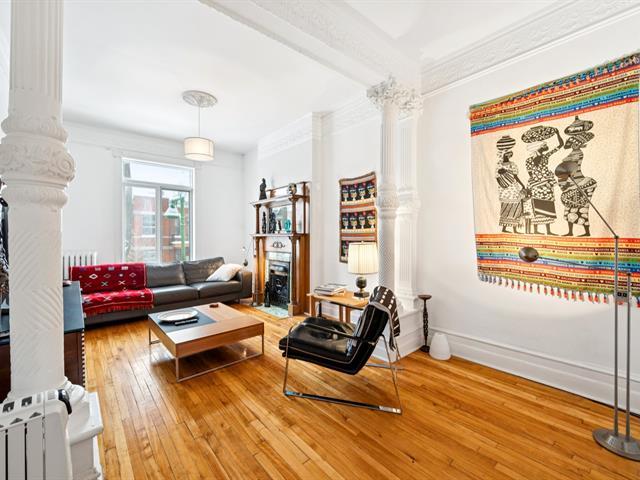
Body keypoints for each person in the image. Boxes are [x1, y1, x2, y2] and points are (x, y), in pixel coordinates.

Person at [521, 126, 564, 235]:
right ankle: (537, 230)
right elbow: (530, 174)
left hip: (543, 184)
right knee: (536, 205)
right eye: (544, 145)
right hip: (540, 184)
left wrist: (557, 133)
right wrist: (540, 180)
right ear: (538, 147)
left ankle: (548, 231)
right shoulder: (531, 160)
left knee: (547, 205)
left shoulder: (544, 157)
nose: (546, 146)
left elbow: (560, 145)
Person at [496, 149, 526, 233]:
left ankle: (514, 229)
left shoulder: (512, 164)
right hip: (504, 190)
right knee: (506, 208)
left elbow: (515, 176)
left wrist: (522, 185)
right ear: (503, 155)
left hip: (513, 188)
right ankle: (504, 229)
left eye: (509, 154)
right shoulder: (499, 164)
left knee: (516, 207)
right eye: (507, 154)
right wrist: (502, 185)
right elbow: (497, 177)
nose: (508, 156)